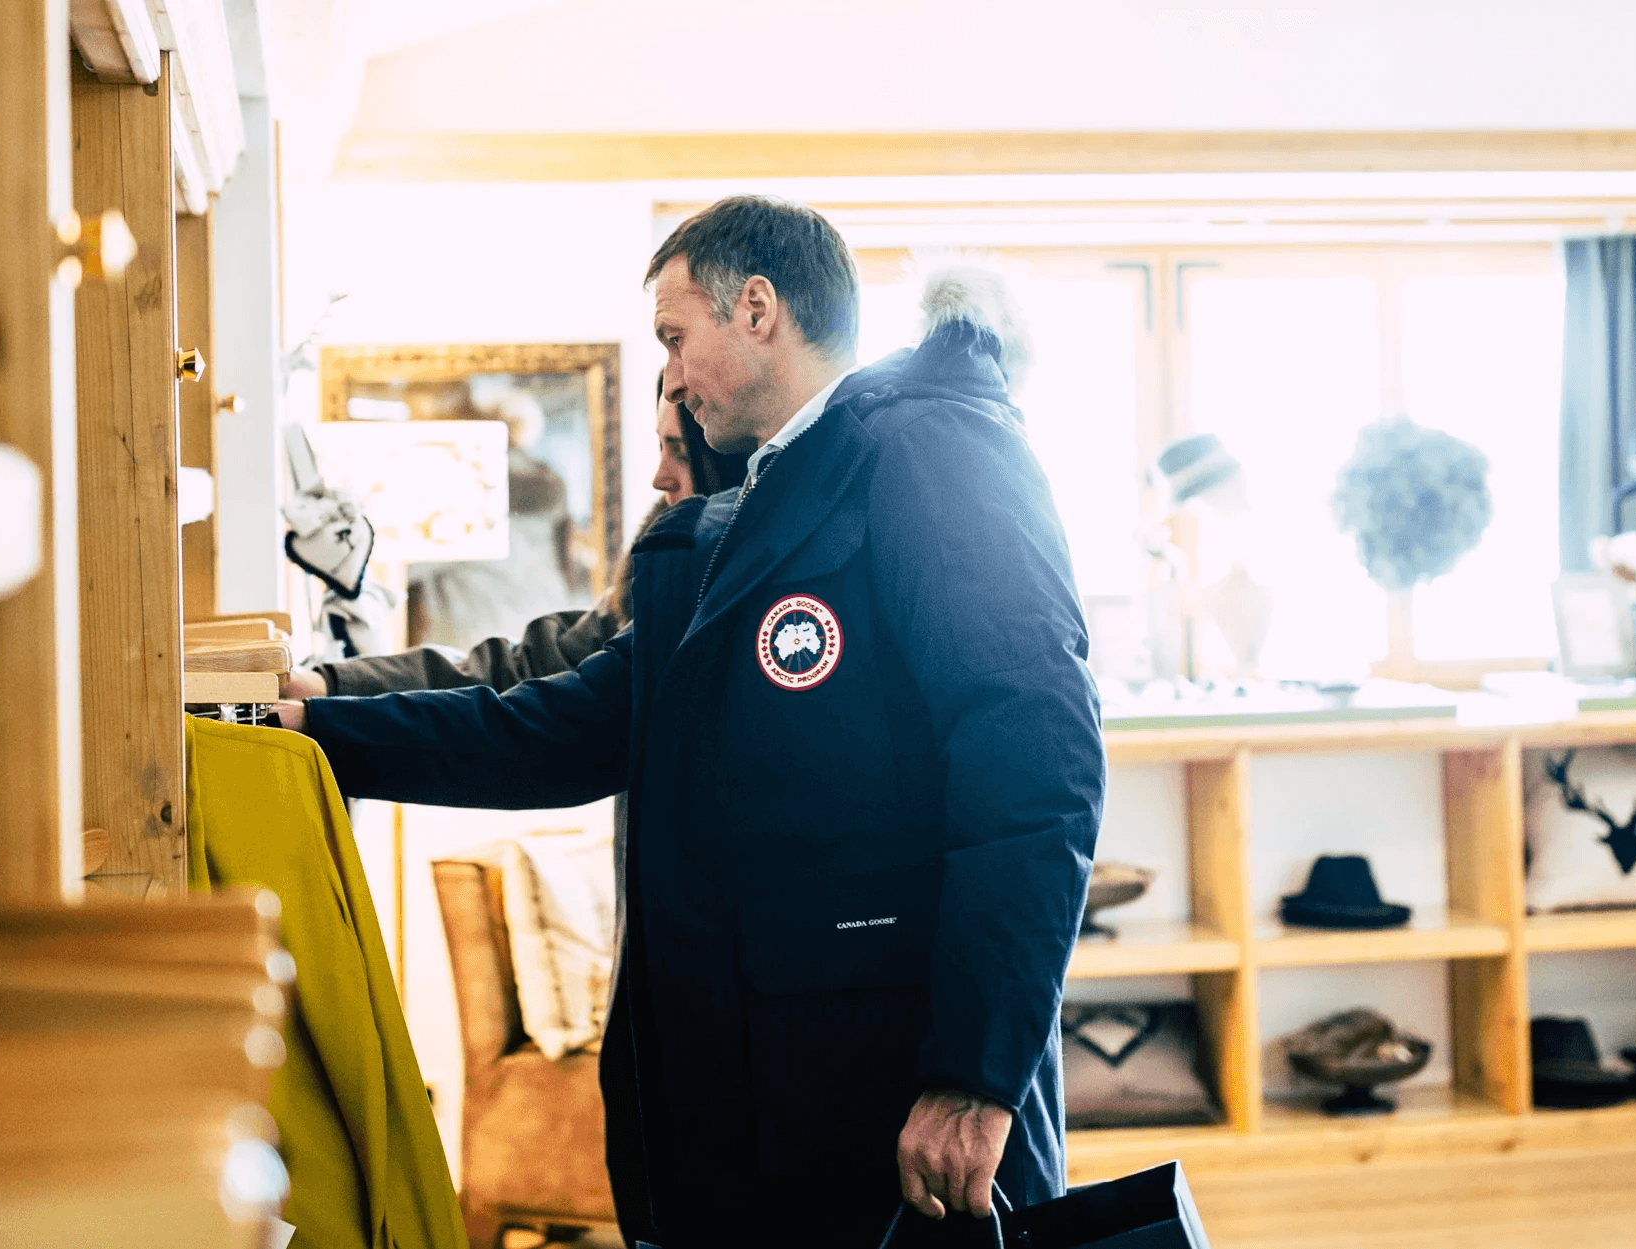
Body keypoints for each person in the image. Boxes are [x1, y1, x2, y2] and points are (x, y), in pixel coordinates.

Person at [277, 196, 1100, 1249]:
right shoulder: (758, 505)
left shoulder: (929, 450)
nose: (670, 372)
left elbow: (1037, 767)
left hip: (883, 1084)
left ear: (756, 308)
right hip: (768, 1094)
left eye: (674, 336)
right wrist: (316, 728)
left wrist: (974, 1075)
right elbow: (568, 721)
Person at [286, 367, 749, 698]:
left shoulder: (473, 496)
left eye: (680, 453)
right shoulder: (645, 602)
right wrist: (334, 685)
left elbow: (520, 695)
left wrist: (334, 687)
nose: (659, 478)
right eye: (660, 448)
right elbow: (522, 671)